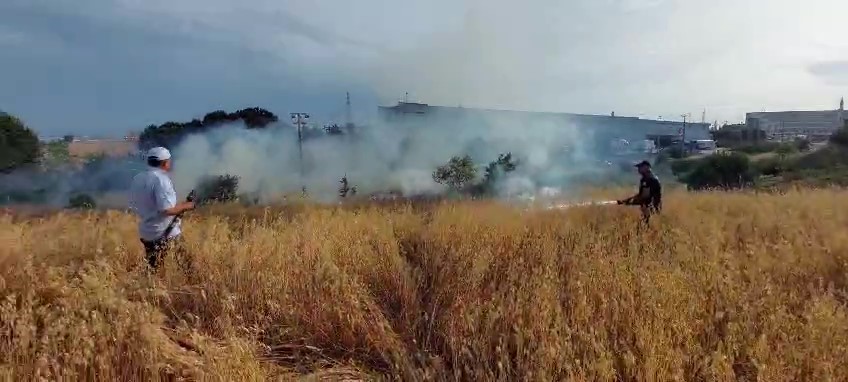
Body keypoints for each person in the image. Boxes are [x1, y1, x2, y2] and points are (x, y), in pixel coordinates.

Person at [129, 147, 195, 270]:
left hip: (146, 231)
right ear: (165, 163)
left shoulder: (138, 178)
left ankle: (149, 286)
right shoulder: (161, 180)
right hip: (165, 232)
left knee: (153, 268)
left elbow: (136, 204)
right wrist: (188, 205)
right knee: (187, 265)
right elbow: (167, 210)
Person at [617, 160, 662, 224]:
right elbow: (641, 194)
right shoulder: (644, 179)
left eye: (640, 167)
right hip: (646, 208)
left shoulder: (652, 180)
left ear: (647, 167)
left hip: (652, 209)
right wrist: (626, 200)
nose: (638, 169)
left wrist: (629, 202)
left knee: (645, 227)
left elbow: (645, 197)